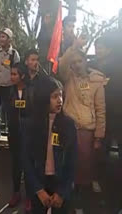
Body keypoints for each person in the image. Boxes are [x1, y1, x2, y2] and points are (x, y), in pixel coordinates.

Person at [58, 37, 106, 212]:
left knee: (85, 169)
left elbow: (101, 110)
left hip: (88, 131)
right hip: (70, 129)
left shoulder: (96, 80)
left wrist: (99, 136)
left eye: (80, 61)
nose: (77, 64)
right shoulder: (68, 77)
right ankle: (71, 202)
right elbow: (61, 65)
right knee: (69, 168)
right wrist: (73, 46)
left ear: (85, 61)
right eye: (74, 62)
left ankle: (84, 202)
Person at [23, 77, 77, 214]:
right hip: (38, 182)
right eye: (54, 96)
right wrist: (38, 190)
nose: (60, 100)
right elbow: (25, 160)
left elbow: (72, 161)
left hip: (60, 183)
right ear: (43, 98)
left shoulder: (69, 124)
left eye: (61, 95)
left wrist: (62, 192)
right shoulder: (30, 125)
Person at [7, 63, 30, 209]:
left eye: (15, 74)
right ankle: (16, 192)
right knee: (16, 165)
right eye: (11, 74)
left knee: (28, 165)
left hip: (28, 133)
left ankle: (29, 196)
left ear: (22, 75)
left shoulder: (31, 89)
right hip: (14, 132)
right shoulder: (10, 91)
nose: (12, 77)